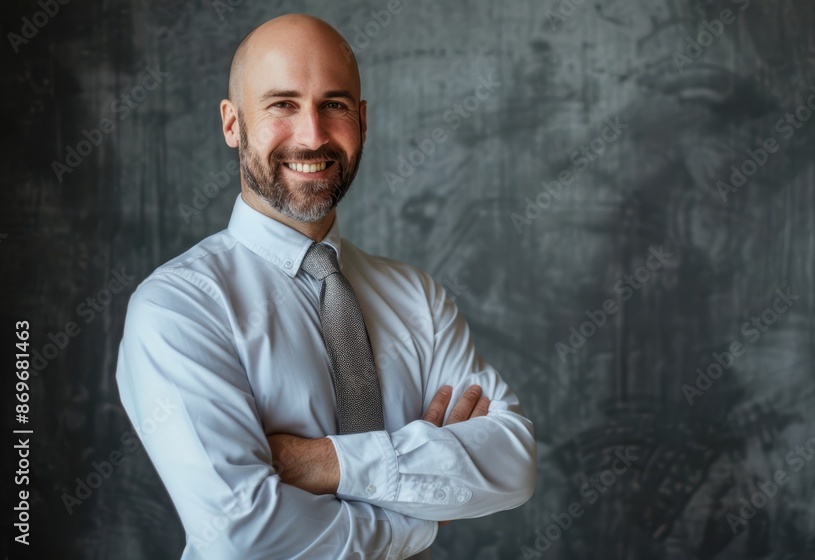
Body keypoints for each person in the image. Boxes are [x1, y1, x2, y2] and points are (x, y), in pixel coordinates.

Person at [115, 13, 536, 559]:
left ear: (361, 120)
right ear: (232, 123)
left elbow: (513, 462)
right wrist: (420, 513)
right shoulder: (178, 309)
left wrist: (322, 463)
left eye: (334, 105)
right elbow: (245, 538)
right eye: (282, 105)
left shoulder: (418, 297)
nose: (312, 135)